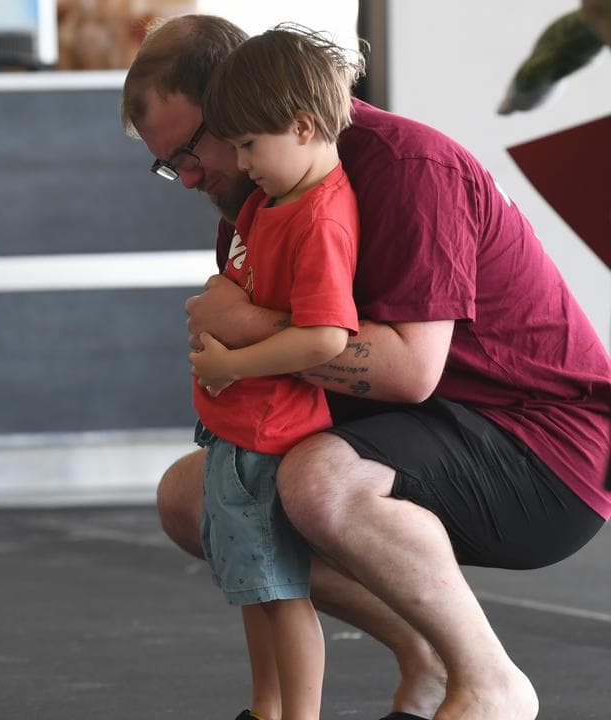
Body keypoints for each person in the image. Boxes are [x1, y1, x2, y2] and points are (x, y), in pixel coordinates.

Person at [120, 13, 611, 720]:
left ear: (245, 103)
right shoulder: (254, 198)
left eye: (194, 152)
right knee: (198, 497)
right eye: (172, 165)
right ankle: (425, 661)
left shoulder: (409, 166)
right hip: (421, 425)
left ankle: (491, 682)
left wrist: (244, 327)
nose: (191, 180)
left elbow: (411, 371)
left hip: (548, 448)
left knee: (318, 481)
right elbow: (272, 377)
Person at [186, 25, 364, 720]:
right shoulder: (273, 201)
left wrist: (234, 361)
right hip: (237, 431)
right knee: (254, 591)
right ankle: (266, 708)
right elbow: (246, 284)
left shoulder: (319, 218)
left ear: (302, 125)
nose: (240, 162)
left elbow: (323, 336)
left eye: (251, 146)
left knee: (281, 596)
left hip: (269, 434)